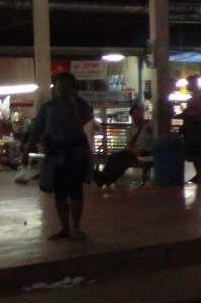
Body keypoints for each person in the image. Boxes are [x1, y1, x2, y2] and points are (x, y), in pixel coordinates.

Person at [28, 73, 94, 240]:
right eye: (60, 85)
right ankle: (65, 228)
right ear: (55, 87)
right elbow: (37, 130)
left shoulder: (80, 105)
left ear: (73, 88)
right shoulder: (47, 107)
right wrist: (27, 150)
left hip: (75, 155)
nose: (62, 89)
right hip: (56, 155)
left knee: (76, 191)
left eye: (67, 86)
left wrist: (73, 103)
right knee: (60, 193)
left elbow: (84, 119)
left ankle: (76, 227)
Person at [94, 105, 155, 187]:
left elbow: (154, 140)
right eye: (135, 114)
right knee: (114, 157)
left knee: (121, 159)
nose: (137, 116)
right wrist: (134, 151)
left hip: (147, 152)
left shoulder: (150, 126)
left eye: (139, 113)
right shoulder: (131, 129)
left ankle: (105, 179)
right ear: (132, 116)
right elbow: (129, 144)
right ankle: (106, 178)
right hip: (134, 152)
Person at [180, 75, 201, 185]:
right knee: (194, 152)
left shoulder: (199, 97)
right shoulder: (196, 96)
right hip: (191, 127)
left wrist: (185, 113)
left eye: (188, 83)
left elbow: (199, 113)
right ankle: (199, 174)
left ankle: (200, 175)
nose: (187, 85)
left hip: (194, 128)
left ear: (194, 84)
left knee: (196, 152)